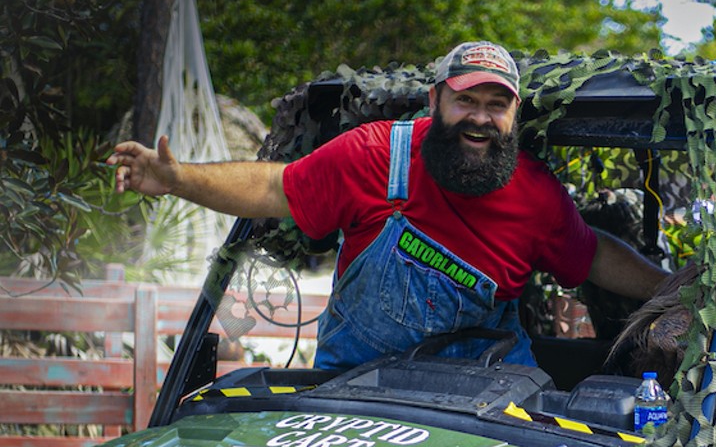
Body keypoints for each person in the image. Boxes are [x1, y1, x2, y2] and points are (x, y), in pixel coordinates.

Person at [108, 40, 667, 370]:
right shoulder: (377, 156)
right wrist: (179, 179)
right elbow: (278, 188)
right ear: (435, 101)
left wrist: (674, 287)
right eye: (465, 99)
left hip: (491, 405)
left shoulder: (535, 194)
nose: (480, 116)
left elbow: (591, 256)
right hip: (360, 399)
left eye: (496, 104)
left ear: (514, 115)